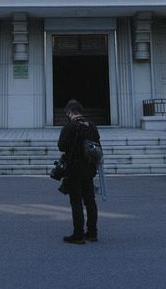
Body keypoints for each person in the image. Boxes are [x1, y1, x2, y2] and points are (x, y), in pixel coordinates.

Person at [57, 99, 99, 244]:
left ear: (70, 112)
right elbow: (97, 147)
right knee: (90, 201)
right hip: (89, 169)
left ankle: (78, 234)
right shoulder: (91, 126)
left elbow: (61, 146)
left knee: (76, 202)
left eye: (67, 113)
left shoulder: (69, 127)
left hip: (74, 169)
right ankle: (92, 232)